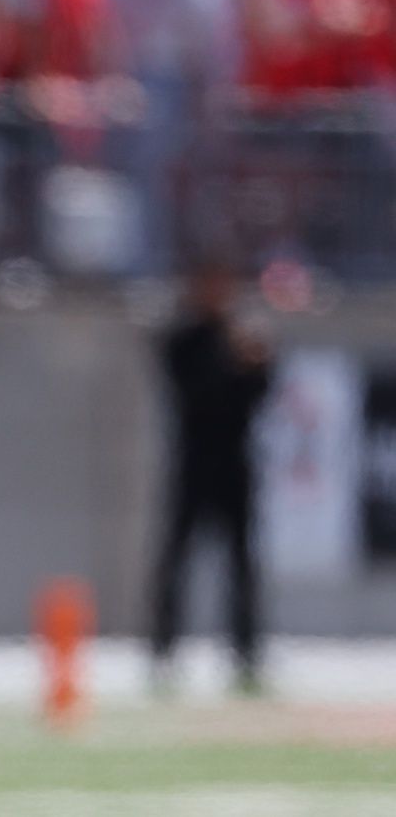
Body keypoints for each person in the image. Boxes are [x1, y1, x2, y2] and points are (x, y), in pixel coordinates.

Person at [149, 258, 271, 695]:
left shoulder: (243, 339)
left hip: (236, 466)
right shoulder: (185, 339)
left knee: (241, 565)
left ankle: (247, 653)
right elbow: (192, 392)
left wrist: (255, 363)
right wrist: (232, 360)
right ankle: (163, 652)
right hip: (194, 464)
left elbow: (259, 399)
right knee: (176, 562)